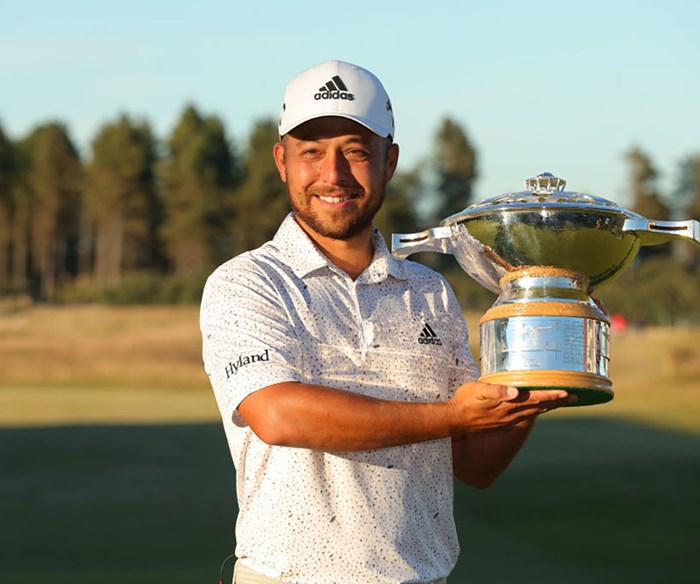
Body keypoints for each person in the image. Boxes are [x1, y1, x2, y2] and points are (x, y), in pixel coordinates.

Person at [200, 59, 575, 584]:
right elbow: (279, 415)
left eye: (355, 151)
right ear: (282, 161)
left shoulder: (430, 293)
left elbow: (475, 465)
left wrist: (531, 381)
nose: (333, 175)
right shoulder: (248, 281)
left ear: (389, 161)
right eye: (312, 152)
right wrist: (451, 419)